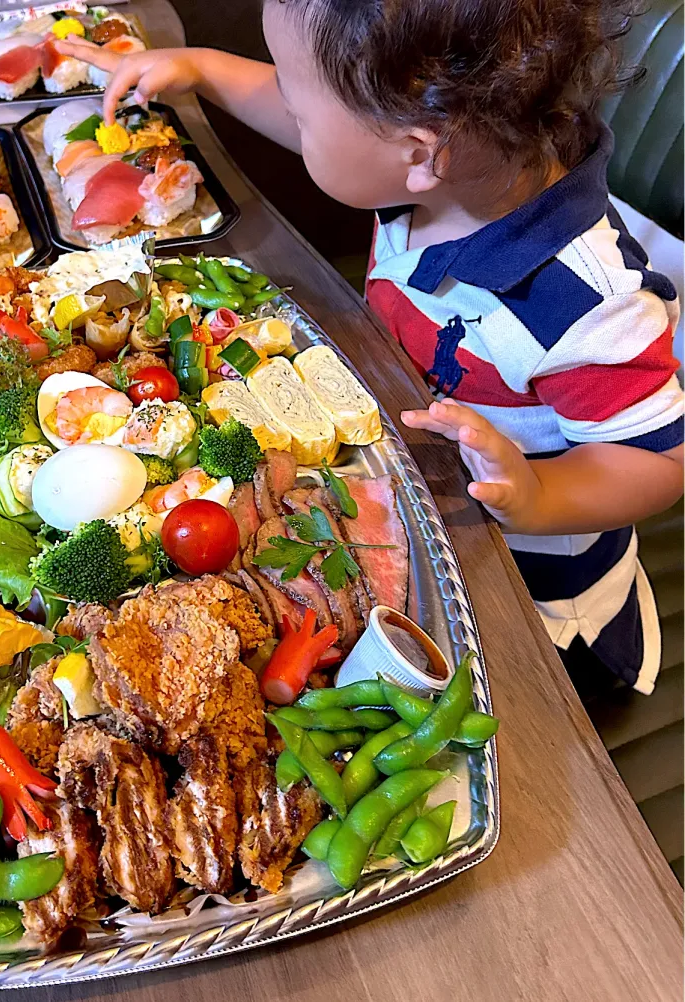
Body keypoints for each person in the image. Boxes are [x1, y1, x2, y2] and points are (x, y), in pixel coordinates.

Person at [56, 0, 684, 700]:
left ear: (420, 151)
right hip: (410, 484)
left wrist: (536, 495)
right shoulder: (455, 158)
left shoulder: (586, 301)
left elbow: (659, 461)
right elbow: (329, 122)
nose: (287, 110)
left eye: (298, 108)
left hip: (537, 606)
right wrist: (198, 69)